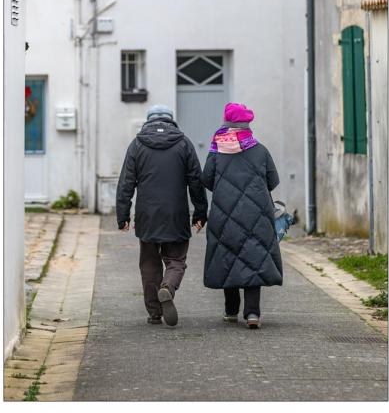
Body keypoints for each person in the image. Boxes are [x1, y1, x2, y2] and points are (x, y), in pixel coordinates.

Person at [116, 104, 208, 327]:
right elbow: (196, 180)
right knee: (176, 260)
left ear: (148, 120)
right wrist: (200, 212)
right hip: (176, 213)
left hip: (147, 215)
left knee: (149, 264)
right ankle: (167, 288)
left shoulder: (137, 145)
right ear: (171, 120)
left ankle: (154, 313)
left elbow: (126, 182)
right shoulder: (184, 143)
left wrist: (123, 214)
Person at [201, 102, 283, 329]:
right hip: (257, 214)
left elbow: (206, 180)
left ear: (226, 123)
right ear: (248, 124)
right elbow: (272, 181)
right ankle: (252, 314)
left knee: (229, 256)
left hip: (223, 213)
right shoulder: (260, 150)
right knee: (253, 258)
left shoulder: (217, 150)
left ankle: (230, 311)